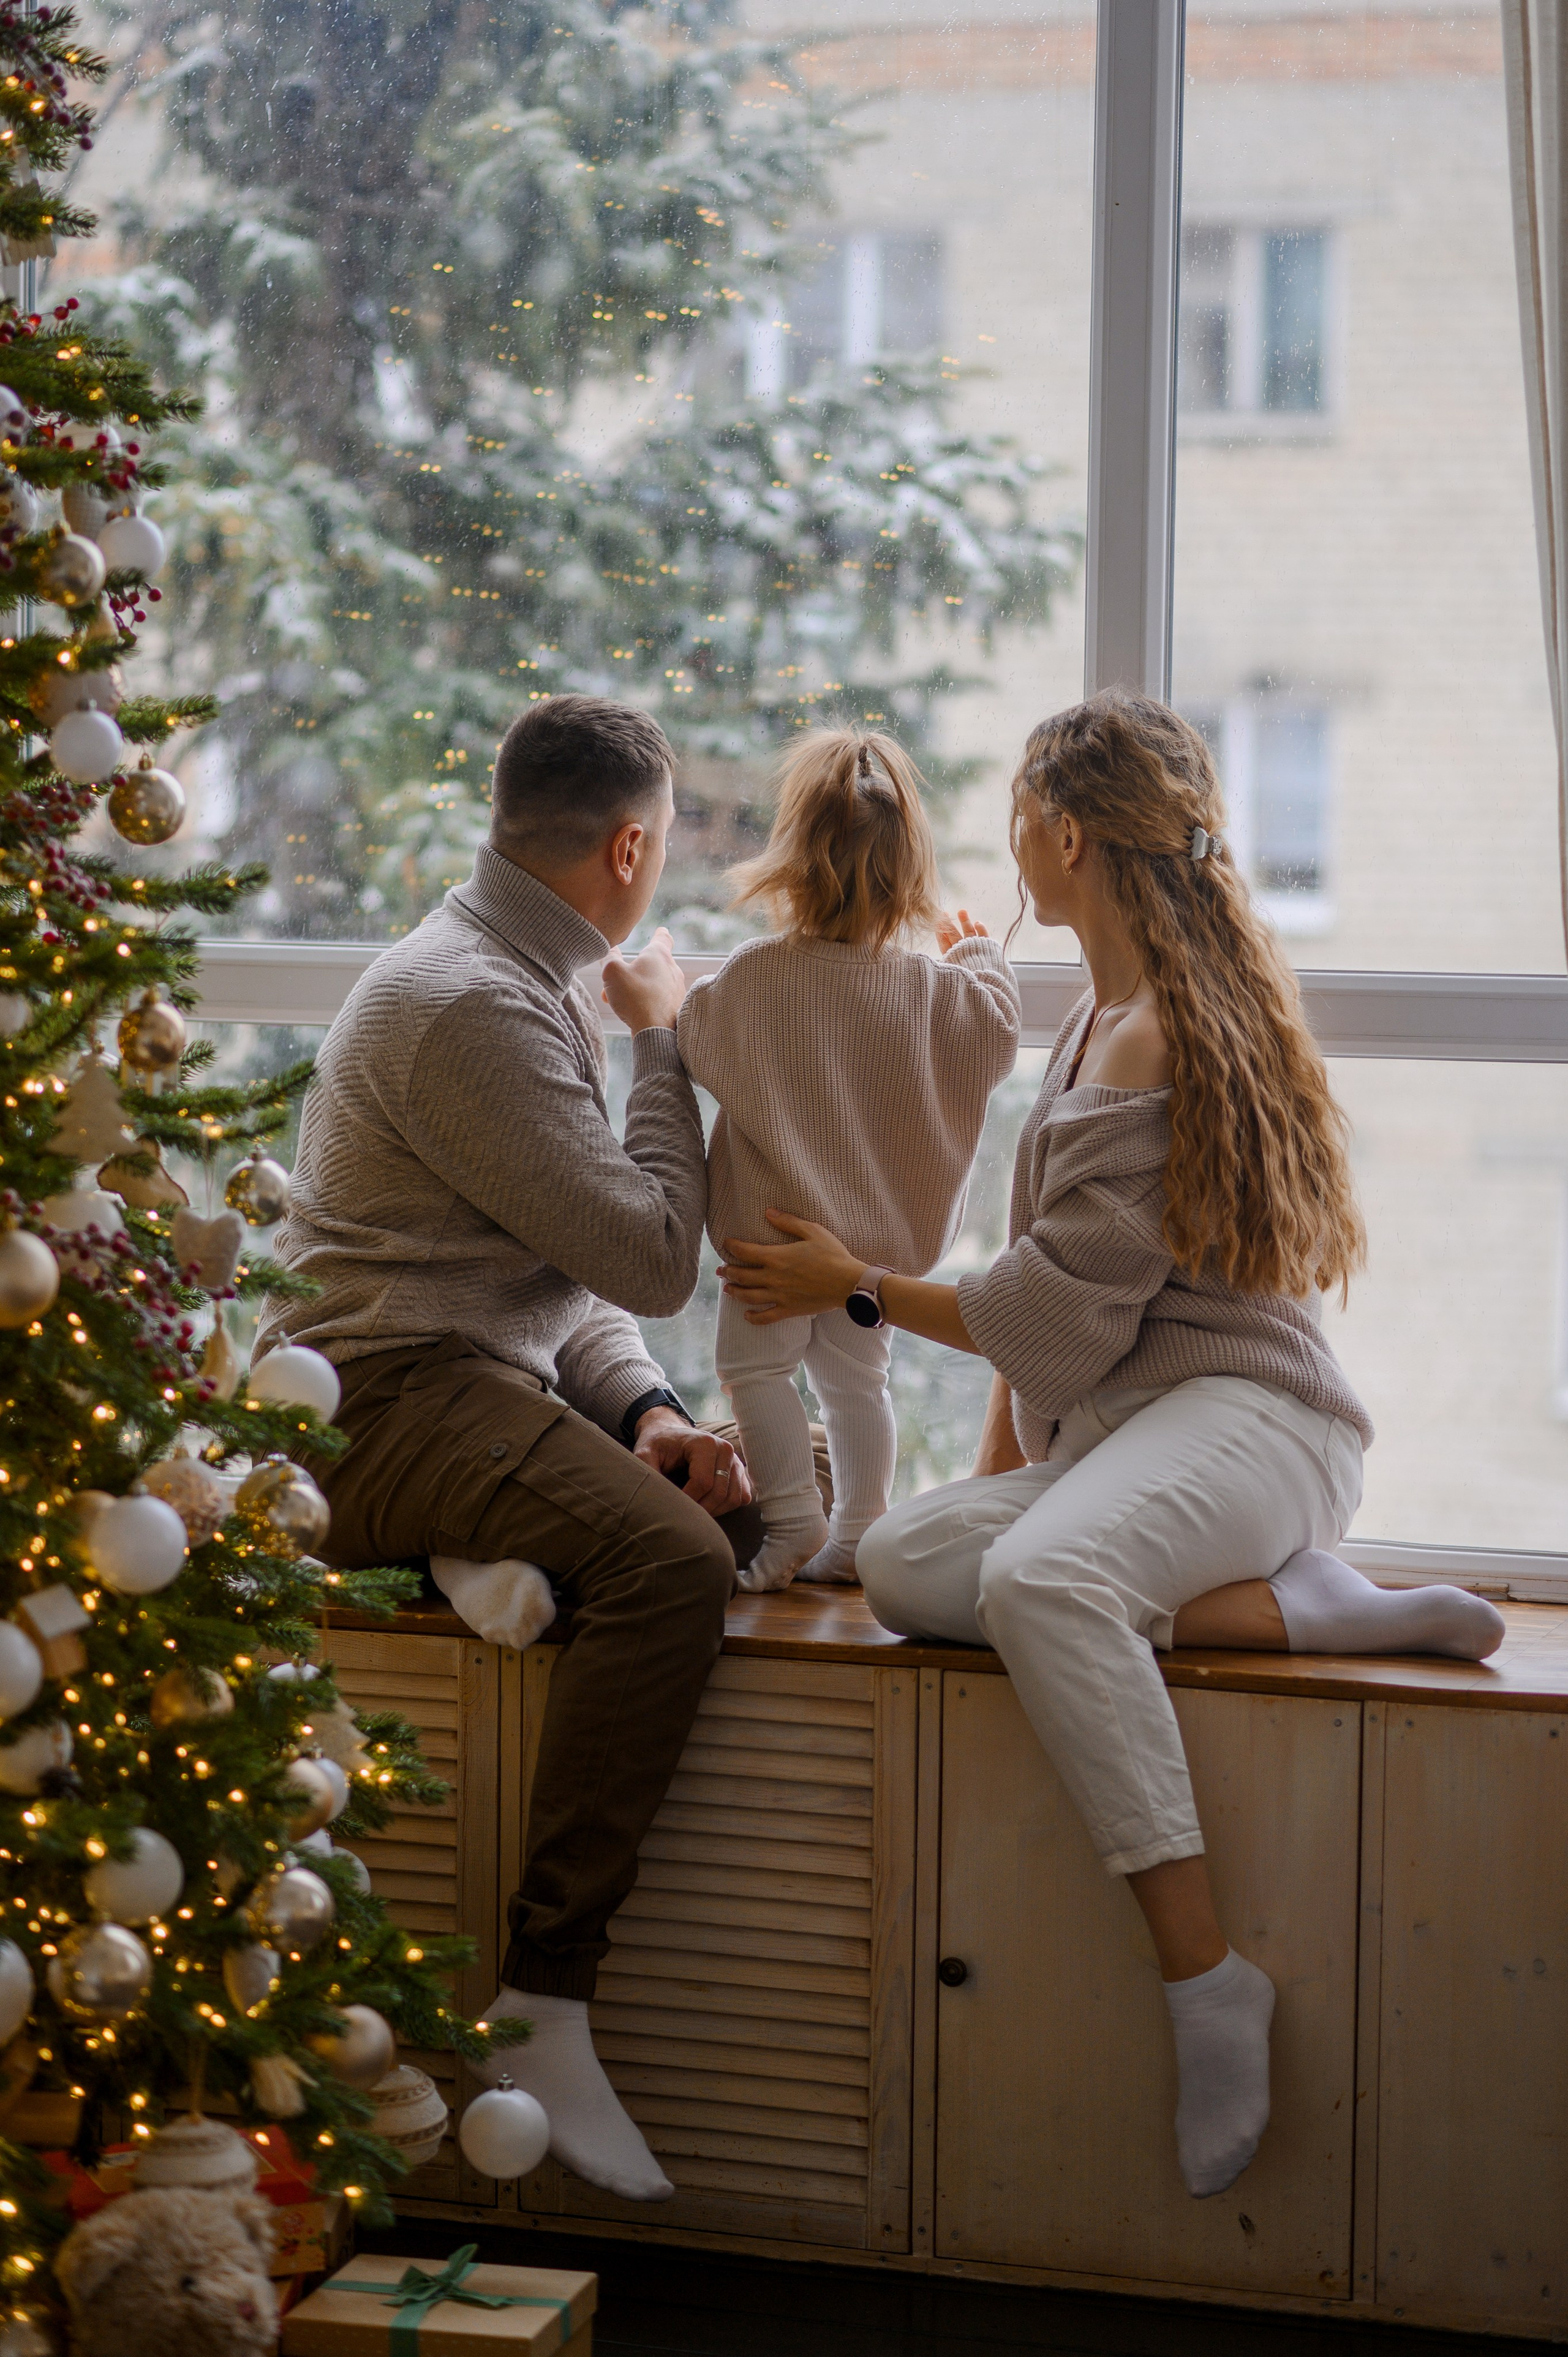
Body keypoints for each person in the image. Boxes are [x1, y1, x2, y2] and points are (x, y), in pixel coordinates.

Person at [716, 690, 1506, 2202]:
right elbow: (1052, 1317)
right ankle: (1296, 1606)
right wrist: (990, 1473)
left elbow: (1050, 1313)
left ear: (1060, 835)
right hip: (1136, 1434)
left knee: (1045, 1585)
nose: (1006, 835)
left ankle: (1205, 1977)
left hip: (1253, 1418)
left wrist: (853, 1285)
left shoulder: (1145, 1034)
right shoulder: (1091, 1013)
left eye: (1017, 810)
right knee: (901, 1559)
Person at [255, 695, 750, 2206]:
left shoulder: (516, 975)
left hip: (461, 1373)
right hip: (381, 1398)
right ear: (628, 846)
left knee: (689, 1512)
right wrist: (666, 1046)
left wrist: (651, 1413)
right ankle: (545, 1992)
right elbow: (657, 1250)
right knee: (672, 1567)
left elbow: (571, 1285)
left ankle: (486, 1544)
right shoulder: (474, 1001)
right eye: (663, 850)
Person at [677, 728, 1020, 1590]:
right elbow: (998, 1031)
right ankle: (861, 1527)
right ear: (910, 877)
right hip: (868, 1259)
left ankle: (793, 1522)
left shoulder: (754, 980)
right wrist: (977, 953)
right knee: (860, 1386)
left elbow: (696, 1043)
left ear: (789, 866)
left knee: (755, 1371)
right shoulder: (938, 994)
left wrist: (661, 1013)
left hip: (773, 1251)